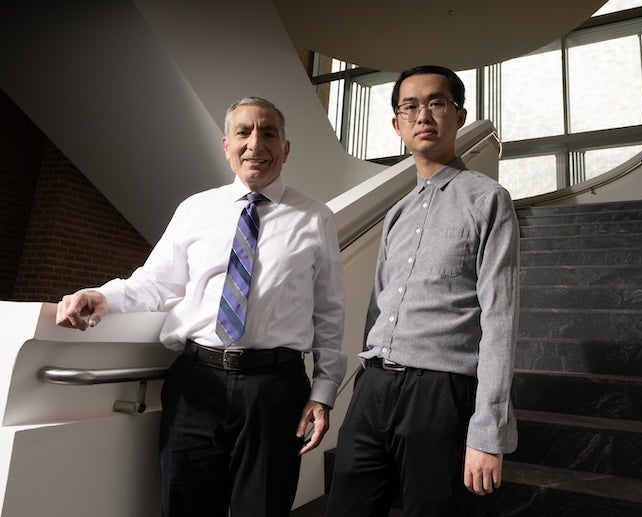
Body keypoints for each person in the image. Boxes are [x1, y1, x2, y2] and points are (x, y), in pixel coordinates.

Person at [55, 97, 346, 517]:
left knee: (262, 507)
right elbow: (155, 281)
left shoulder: (315, 217)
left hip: (275, 388)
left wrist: (324, 392)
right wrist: (103, 296)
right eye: (244, 132)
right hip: (195, 382)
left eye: (269, 133)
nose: (255, 143)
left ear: (285, 149)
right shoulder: (195, 209)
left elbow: (330, 312)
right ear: (225, 146)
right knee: (184, 504)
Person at [325, 65, 520, 516]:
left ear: (459, 115)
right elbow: (376, 311)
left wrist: (487, 432)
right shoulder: (396, 213)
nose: (423, 114)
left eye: (436, 102)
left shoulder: (488, 199)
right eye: (409, 106)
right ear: (397, 125)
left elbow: (500, 321)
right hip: (373, 388)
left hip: (441, 394)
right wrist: (360, 388)